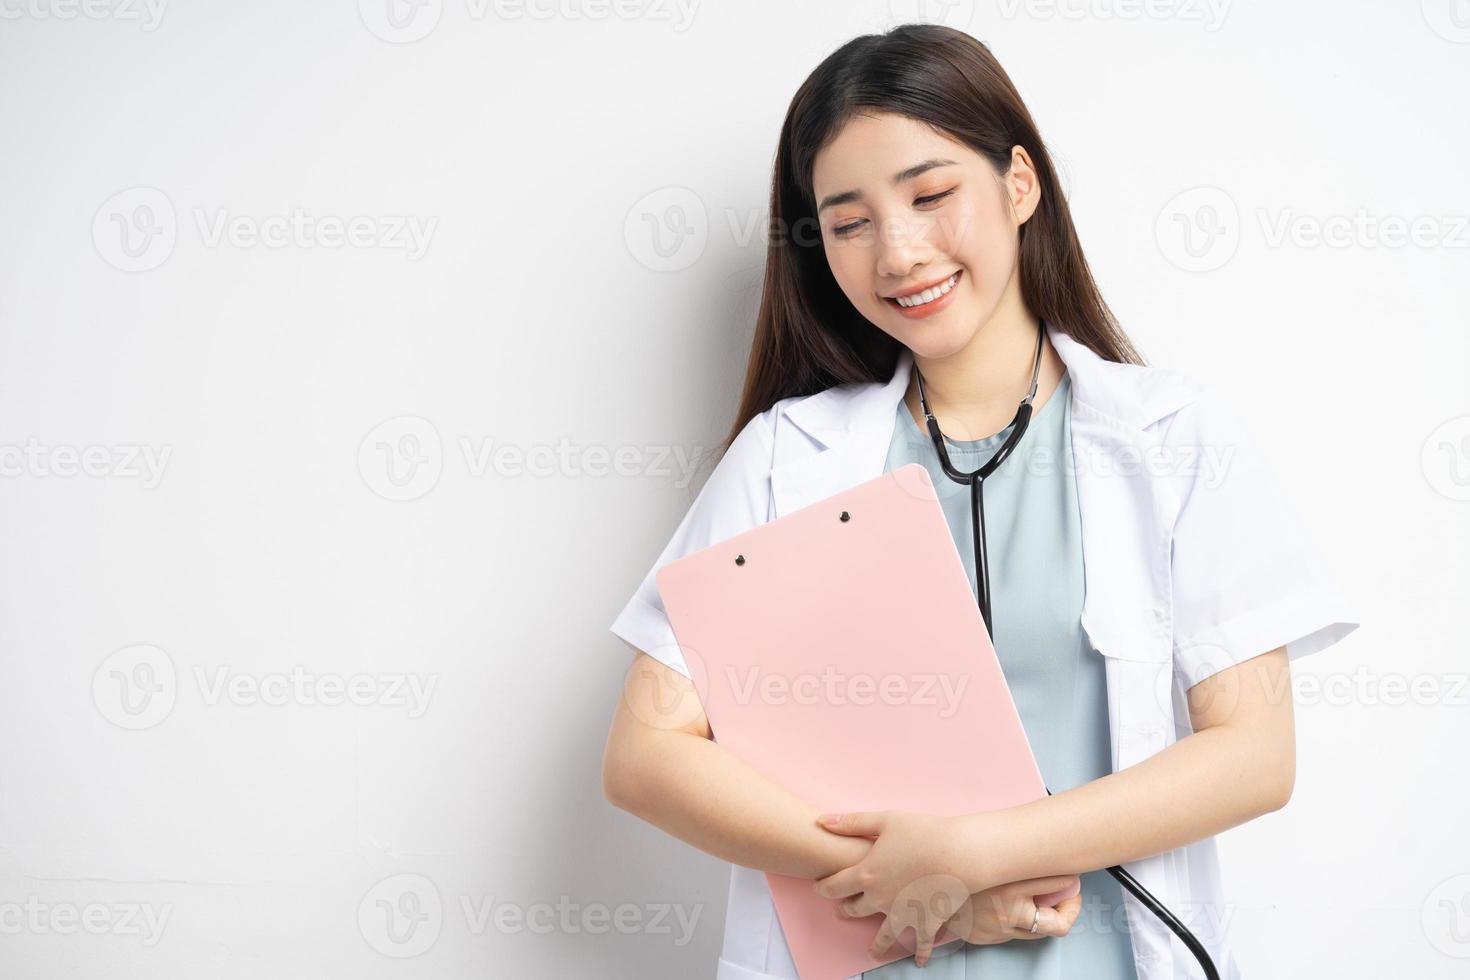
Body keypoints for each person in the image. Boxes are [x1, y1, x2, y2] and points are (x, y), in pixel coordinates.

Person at [601, 23, 1356, 980]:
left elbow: (1254, 753)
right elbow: (645, 755)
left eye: (930, 194)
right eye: (849, 222)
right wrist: (927, 889)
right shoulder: (787, 459)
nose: (899, 251)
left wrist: (980, 854)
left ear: (1020, 185)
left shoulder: (1170, 437)